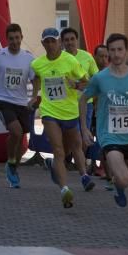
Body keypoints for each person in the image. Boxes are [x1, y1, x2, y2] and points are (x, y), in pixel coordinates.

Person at [81, 33, 128, 239]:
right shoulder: (100, 78)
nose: (116, 54)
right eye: (112, 50)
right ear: (108, 53)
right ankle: (118, 185)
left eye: (119, 50)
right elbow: (83, 98)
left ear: (126, 51)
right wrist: (84, 128)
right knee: (123, 179)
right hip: (109, 137)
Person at [31, 27, 92, 208]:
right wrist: (35, 95)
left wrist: (75, 84)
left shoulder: (71, 61)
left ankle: (84, 176)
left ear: (58, 42)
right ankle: (64, 190)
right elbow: (36, 77)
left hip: (70, 111)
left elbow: (87, 82)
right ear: (43, 43)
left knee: (75, 146)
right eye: (47, 41)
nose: (50, 45)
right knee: (58, 150)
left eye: (53, 41)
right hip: (50, 112)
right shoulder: (37, 64)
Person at [0, 23, 36, 188]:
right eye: (11, 39)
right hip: (3, 100)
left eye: (17, 38)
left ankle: (12, 167)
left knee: (19, 137)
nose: (15, 41)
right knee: (16, 131)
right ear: (7, 39)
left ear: (22, 38)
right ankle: (12, 161)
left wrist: (35, 96)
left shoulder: (28, 57)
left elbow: (36, 79)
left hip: (22, 102)